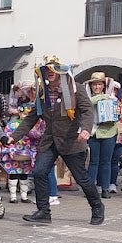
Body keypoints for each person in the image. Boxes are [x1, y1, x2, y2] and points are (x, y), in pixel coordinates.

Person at [12, 55, 105, 225]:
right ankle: (43, 211)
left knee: (81, 178)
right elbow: (31, 118)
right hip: (50, 140)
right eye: (46, 70)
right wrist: (14, 136)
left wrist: (85, 129)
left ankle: (97, 206)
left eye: (52, 70)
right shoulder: (43, 93)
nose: (49, 72)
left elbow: (87, 112)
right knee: (39, 171)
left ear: (61, 73)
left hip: (72, 140)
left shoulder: (75, 89)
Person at [85, 72, 119, 199]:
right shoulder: (88, 98)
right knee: (93, 161)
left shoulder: (112, 98)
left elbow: (118, 115)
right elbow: (88, 104)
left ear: (103, 85)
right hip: (94, 132)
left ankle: (105, 188)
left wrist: (117, 113)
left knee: (106, 161)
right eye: (94, 84)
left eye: (99, 84)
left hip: (109, 131)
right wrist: (102, 97)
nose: (97, 87)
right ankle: (90, 189)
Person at [2, 83, 38, 202]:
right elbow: (7, 136)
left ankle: (24, 195)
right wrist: (8, 149)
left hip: (26, 153)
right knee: (13, 173)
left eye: (27, 114)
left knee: (24, 174)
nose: (24, 116)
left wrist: (33, 150)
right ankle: (13, 196)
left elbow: (34, 138)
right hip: (15, 153)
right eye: (23, 113)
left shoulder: (33, 126)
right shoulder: (12, 125)